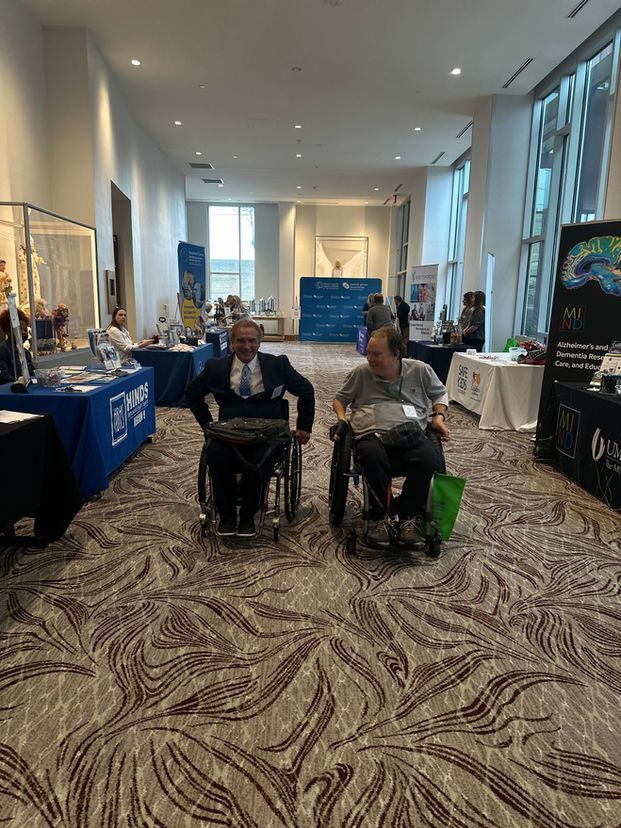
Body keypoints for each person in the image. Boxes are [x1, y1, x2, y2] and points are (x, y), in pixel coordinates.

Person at [186, 319, 315, 538]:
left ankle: (248, 515)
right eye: (241, 341)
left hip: (266, 434)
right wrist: (207, 425)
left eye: (252, 341)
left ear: (260, 342)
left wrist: (304, 426)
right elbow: (192, 393)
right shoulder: (216, 367)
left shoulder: (278, 365)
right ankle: (226, 515)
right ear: (232, 343)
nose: (247, 346)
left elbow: (306, 390)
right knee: (215, 454)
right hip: (228, 434)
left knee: (259, 460)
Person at [332, 326, 449, 549]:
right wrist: (342, 418)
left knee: (429, 459)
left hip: (410, 434)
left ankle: (407, 514)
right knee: (371, 457)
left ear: (396, 354)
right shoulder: (361, 373)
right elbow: (340, 399)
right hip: (371, 434)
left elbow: (440, 394)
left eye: (376, 354)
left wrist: (439, 417)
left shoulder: (420, 370)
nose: (370, 359)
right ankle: (382, 516)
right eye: (368, 353)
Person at [0, 308, 34, 383]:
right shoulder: (2, 351)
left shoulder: (26, 352)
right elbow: (3, 376)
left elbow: (32, 373)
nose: (24, 332)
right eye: (19, 329)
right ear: (8, 331)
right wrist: (20, 382)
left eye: (25, 329)